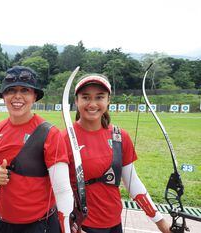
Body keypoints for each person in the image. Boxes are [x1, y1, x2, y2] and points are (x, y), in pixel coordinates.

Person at [62, 73, 171, 233]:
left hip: (114, 222)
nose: (92, 104)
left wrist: (162, 224)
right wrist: (68, 226)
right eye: (85, 97)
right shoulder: (64, 138)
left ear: (108, 100)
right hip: (81, 225)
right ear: (76, 100)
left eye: (99, 97)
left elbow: (133, 183)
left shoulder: (119, 137)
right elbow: (54, 188)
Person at [0, 66, 74, 233]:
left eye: (25, 90)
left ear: (34, 96)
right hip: (3, 223)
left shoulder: (50, 134)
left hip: (39, 225)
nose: (17, 96)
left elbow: (62, 190)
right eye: (11, 90)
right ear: (4, 96)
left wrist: (66, 229)